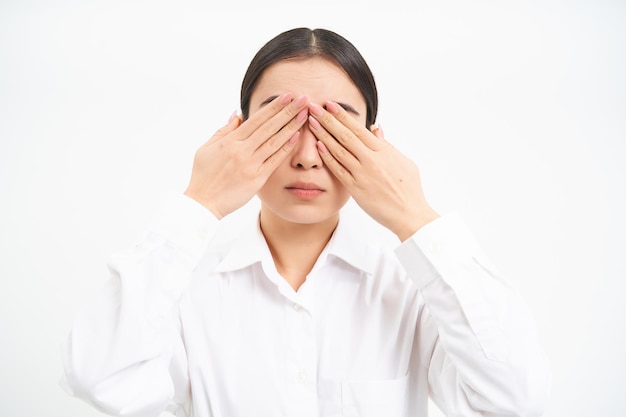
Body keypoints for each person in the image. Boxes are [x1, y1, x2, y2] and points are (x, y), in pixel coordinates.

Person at [61, 27, 550, 417]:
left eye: (334, 128)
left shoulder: (415, 288)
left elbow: (513, 399)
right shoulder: (183, 286)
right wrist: (200, 201)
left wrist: (413, 215)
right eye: (281, 126)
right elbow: (98, 377)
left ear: (374, 143)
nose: (307, 157)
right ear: (239, 132)